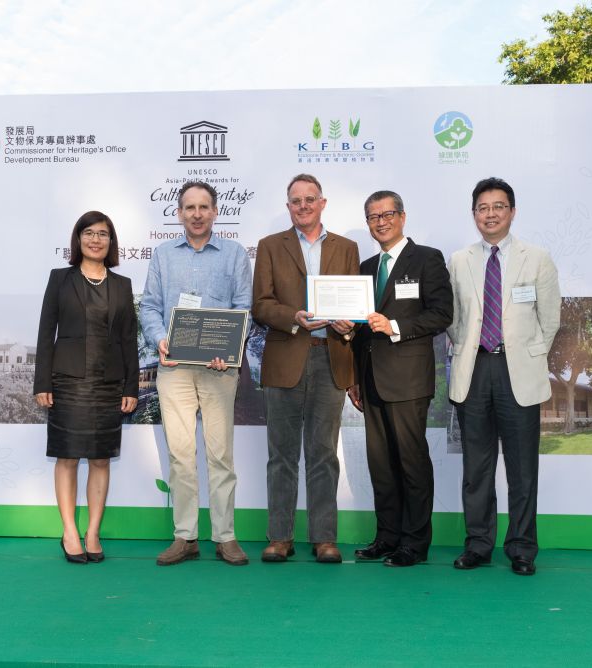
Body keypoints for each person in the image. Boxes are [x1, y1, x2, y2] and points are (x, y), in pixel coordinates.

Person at [447, 177, 561, 576]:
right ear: (474, 214)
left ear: (512, 211)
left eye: (498, 206)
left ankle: (522, 547)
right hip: (474, 369)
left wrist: (524, 355)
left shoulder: (538, 258)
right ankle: (478, 544)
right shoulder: (459, 260)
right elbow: (455, 321)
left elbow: (549, 321)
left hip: (519, 372)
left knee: (522, 467)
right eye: (482, 207)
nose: (490, 214)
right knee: (476, 467)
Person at [141, 181, 253, 567]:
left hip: (219, 370)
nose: (197, 214)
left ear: (215, 211)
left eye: (204, 206)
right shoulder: (163, 255)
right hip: (174, 369)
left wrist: (230, 349)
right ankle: (185, 536)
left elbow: (244, 308)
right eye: (190, 207)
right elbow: (150, 307)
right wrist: (160, 340)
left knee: (221, 455)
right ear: (179, 213)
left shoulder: (235, 254)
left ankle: (225, 537)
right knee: (181, 455)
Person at [252, 173, 359, 563]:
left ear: (323, 203)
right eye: (295, 201)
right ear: (288, 207)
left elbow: (354, 302)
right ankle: (279, 536)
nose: (303, 206)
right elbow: (261, 305)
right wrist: (294, 317)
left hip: (331, 357)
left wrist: (349, 323)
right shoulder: (269, 246)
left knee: (323, 454)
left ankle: (324, 538)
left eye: (310, 199)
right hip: (285, 358)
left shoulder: (347, 248)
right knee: (280, 454)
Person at [346, 190, 454, 567]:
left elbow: (442, 314)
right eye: (373, 216)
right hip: (370, 378)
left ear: (403, 217)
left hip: (408, 379)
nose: (381, 221)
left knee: (411, 462)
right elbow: (360, 329)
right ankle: (387, 537)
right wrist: (351, 360)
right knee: (381, 463)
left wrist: (393, 325)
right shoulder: (365, 267)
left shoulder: (427, 258)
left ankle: (414, 543)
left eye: (388, 214)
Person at [34, 210, 140, 565]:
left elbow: (128, 340)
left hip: (108, 384)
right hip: (67, 382)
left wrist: (131, 387)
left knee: (100, 458)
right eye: (89, 233)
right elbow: (46, 331)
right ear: (78, 239)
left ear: (111, 242)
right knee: (67, 457)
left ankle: (93, 532)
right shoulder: (60, 279)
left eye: (104, 234)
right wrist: (42, 381)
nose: (96, 240)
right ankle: (69, 532)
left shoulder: (122, 285)